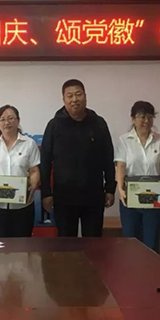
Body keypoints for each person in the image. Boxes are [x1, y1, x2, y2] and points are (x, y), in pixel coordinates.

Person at [41, 79, 116, 238]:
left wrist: (110, 189)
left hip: (93, 196)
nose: (74, 99)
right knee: (66, 246)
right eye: (69, 96)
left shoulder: (98, 123)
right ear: (63, 99)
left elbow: (108, 158)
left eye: (78, 94)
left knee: (94, 244)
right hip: (64, 198)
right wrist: (46, 193)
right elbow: (45, 161)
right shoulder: (54, 125)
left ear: (85, 96)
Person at [115, 101, 160, 252]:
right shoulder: (124, 140)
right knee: (130, 243)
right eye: (141, 117)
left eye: (150, 117)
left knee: (151, 244)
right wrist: (120, 189)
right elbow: (120, 166)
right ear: (133, 119)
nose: (146, 121)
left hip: (154, 197)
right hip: (130, 198)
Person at [0, 105, 40, 237]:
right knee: (2, 243)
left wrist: (33, 185)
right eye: (2, 119)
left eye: (11, 118)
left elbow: (34, 170)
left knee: (23, 243)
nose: (7, 123)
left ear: (18, 120)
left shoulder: (29, 143)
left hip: (23, 205)